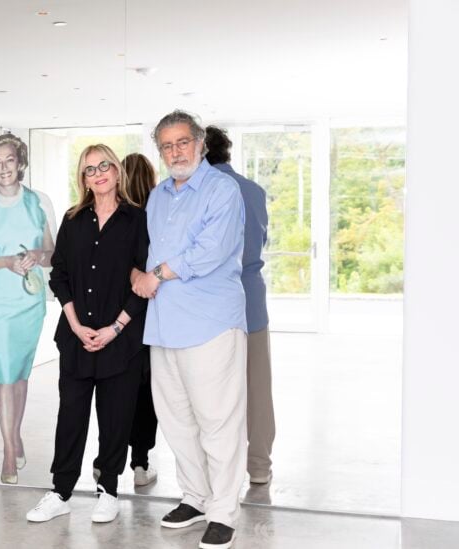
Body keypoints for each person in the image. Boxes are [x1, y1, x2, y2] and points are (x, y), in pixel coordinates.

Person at [132, 110, 247, 549]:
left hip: (210, 324)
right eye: (166, 145)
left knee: (218, 422)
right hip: (164, 326)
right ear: (159, 151)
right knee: (177, 421)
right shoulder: (159, 196)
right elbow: (148, 253)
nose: (175, 152)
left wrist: (155, 275)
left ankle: (222, 512)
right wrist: (138, 274)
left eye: (183, 142)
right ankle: (195, 498)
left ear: (200, 144)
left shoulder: (222, 189)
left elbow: (210, 251)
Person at [26, 144, 149, 524]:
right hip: (77, 338)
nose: (97, 174)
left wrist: (115, 328)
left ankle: (108, 490)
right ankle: (60, 491)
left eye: (103, 166)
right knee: (71, 418)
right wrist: (76, 324)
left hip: (120, 340)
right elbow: (59, 274)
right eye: (88, 169)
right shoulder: (73, 219)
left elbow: (143, 283)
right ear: (83, 178)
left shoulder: (137, 220)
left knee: (115, 419)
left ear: (116, 171)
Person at [0, 133, 56, 485]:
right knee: (4, 372)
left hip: (30, 300)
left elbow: (52, 251)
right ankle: (6, 450)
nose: (3, 168)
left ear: (20, 163)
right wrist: (2, 261)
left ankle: (15, 433)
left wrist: (37, 256)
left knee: (20, 373)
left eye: (9, 161)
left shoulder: (39, 202)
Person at [205, 125, 275, 485]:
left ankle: (217, 471)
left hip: (212, 307)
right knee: (258, 388)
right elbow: (261, 240)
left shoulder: (198, 193)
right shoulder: (255, 191)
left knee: (214, 393)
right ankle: (259, 466)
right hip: (252, 302)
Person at [92, 153, 159, 487]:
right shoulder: (154, 214)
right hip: (149, 317)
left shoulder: (122, 218)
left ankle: (106, 460)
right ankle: (140, 463)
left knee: (113, 392)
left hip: (118, 315)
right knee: (144, 393)